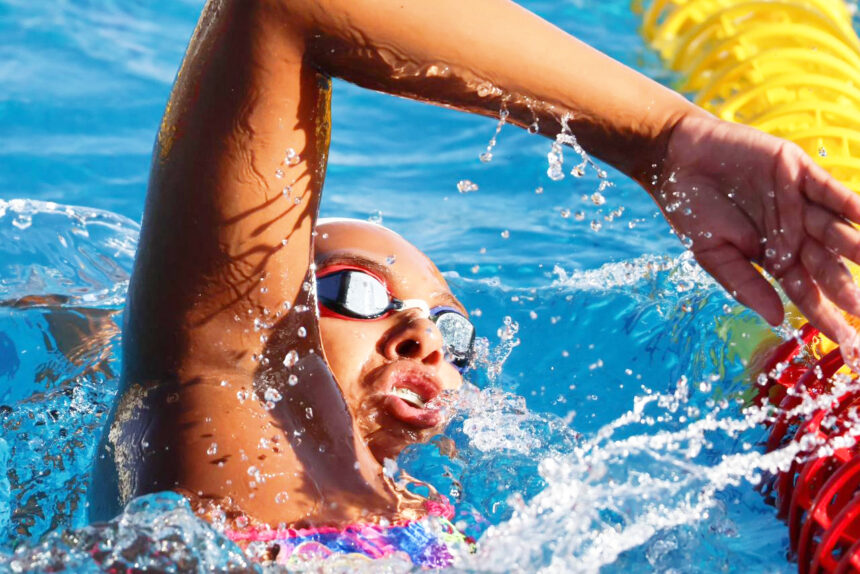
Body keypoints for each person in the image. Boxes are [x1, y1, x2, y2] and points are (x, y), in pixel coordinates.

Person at [90, 0, 860, 566]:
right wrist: (663, 136)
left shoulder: (428, 522)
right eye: (357, 292)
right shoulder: (228, 423)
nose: (422, 335)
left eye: (452, 331)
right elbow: (282, 11)